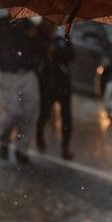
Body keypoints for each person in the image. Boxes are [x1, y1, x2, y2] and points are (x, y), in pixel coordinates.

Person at [0, 15, 43, 165]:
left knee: (29, 113)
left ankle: (21, 150)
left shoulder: (30, 25)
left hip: (28, 73)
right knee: (13, 112)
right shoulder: (1, 24)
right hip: (8, 74)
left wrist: (36, 37)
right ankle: (4, 140)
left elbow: (41, 50)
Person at [35, 21, 75, 160]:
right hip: (46, 84)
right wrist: (46, 50)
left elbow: (71, 54)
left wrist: (56, 52)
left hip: (63, 83)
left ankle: (65, 147)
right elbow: (37, 52)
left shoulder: (63, 36)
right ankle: (39, 138)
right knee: (44, 113)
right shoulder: (40, 35)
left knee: (67, 117)